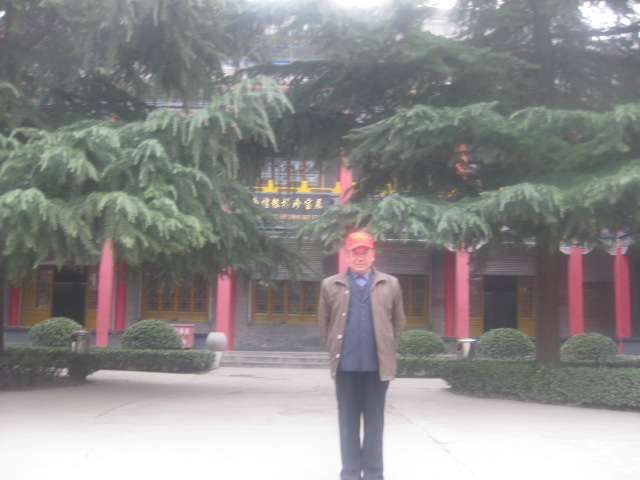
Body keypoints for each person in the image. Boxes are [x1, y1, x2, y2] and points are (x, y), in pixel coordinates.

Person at [317, 231, 406, 480]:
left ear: (373, 255)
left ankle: (374, 474)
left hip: (378, 368)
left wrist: (386, 346)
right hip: (345, 367)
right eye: (354, 253)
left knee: (375, 424)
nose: (359, 257)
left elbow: (398, 322)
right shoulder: (330, 284)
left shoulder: (390, 284)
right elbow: (324, 323)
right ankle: (350, 474)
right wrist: (336, 348)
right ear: (346, 256)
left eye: (364, 252)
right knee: (348, 424)